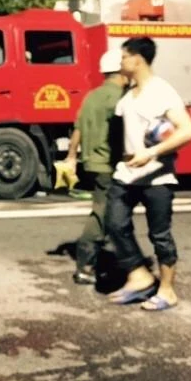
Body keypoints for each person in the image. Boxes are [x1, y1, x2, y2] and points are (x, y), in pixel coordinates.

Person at [105, 37, 191, 311]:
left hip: (157, 177)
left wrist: (152, 152)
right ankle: (139, 276)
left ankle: (167, 291)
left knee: (160, 236)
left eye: (124, 57)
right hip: (127, 174)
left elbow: (189, 130)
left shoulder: (161, 91)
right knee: (114, 222)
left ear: (137, 59)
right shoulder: (128, 94)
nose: (120, 62)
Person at [62, 50, 127, 285]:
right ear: (121, 71)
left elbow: (77, 130)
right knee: (103, 214)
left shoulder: (91, 97)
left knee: (108, 212)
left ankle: (119, 260)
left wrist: (71, 157)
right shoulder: (120, 97)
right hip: (110, 164)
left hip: (92, 163)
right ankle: (86, 264)